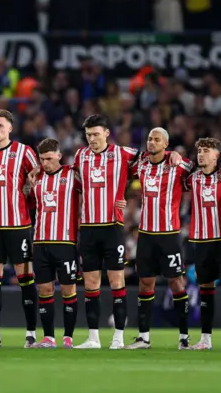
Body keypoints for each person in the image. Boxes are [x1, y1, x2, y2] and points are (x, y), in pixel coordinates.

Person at [66, 115, 180, 350]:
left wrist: (172, 154)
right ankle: (93, 338)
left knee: (117, 280)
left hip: (113, 228)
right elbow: (73, 181)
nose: (92, 139)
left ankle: (118, 337)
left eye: (96, 134)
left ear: (107, 133)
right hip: (87, 227)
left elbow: (153, 157)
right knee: (90, 284)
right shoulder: (80, 156)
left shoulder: (124, 154)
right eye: (88, 135)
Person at [0, 109, 40, 349]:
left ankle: (31, 334)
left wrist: (29, 194)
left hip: (18, 226)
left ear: (10, 128)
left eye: (0, 126)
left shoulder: (24, 152)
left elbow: (39, 178)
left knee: (26, 280)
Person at [126, 128, 194, 350]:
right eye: (149, 139)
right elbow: (121, 163)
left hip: (169, 235)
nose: (151, 142)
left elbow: (200, 168)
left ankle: (184, 337)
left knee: (176, 283)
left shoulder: (177, 165)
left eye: (157, 140)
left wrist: (178, 155)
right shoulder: (141, 164)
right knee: (145, 283)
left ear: (166, 144)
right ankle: (144, 337)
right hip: (145, 235)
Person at [185, 138, 221, 350]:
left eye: (206, 151)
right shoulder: (193, 178)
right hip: (202, 240)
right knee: (205, 287)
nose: (201, 154)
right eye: (199, 150)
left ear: (216, 155)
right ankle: (205, 339)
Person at [29, 138, 80, 349]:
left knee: (68, 290)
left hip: (65, 242)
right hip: (40, 242)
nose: (46, 163)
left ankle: (68, 337)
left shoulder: (72, 175)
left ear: (59, 155)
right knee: (44, 290)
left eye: (49, 158)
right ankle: (48, 337)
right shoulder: (36, 177)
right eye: (42, 159)